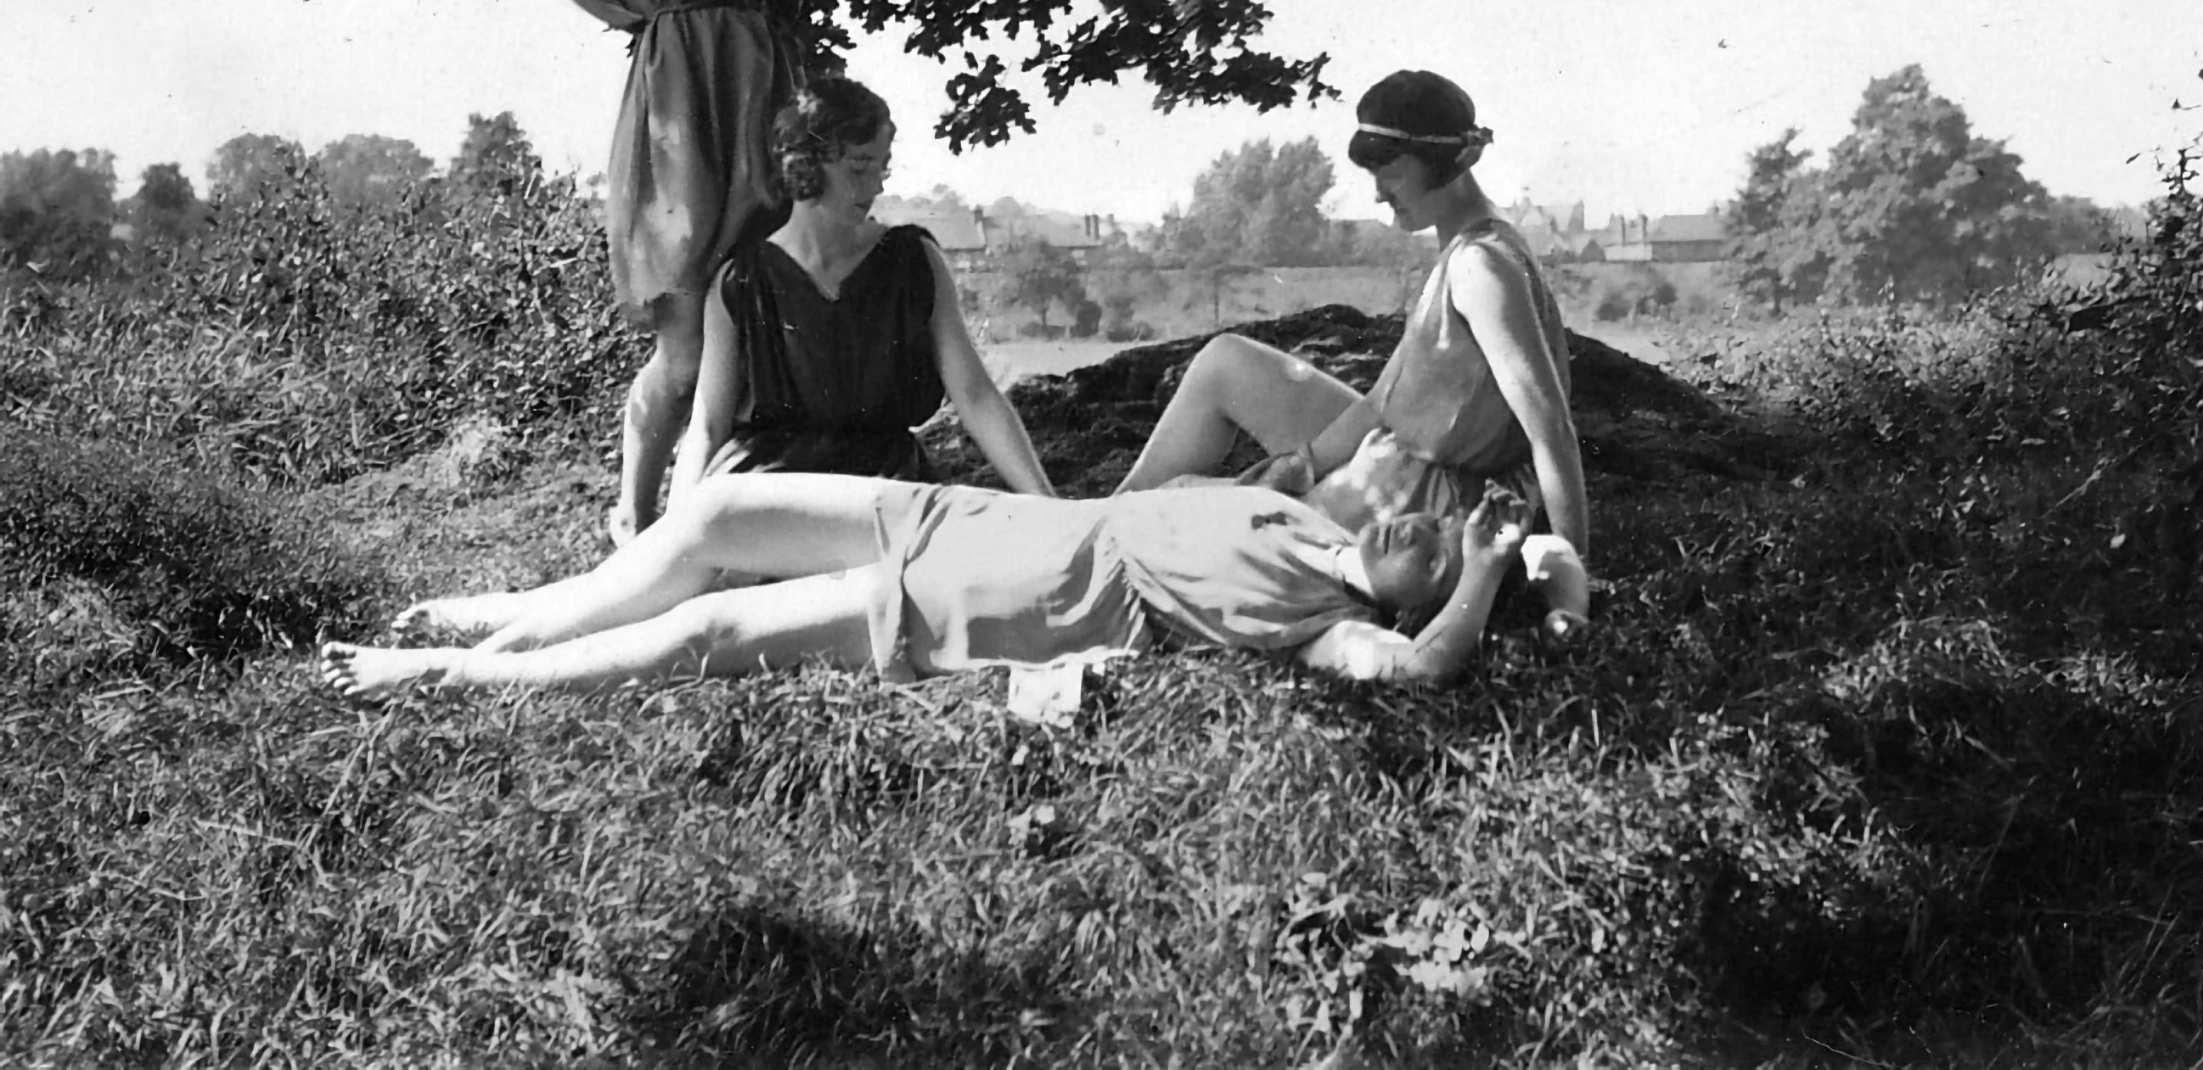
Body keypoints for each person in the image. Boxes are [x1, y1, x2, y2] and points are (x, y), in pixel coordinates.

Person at [349, 0, 831, 543]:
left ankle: (742, 504)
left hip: (764, 87)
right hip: (684, 110)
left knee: (772, 303)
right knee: (685, 342)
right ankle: (633, 513)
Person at [316, 476, 1587, 698]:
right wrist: (1544, 562)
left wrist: (1490, 578)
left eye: (1453, 542)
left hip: (977, 608)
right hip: (970, 519)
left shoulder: (1327, 628)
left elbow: (1424, 667)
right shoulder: (1309, 515)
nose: (1445, 521)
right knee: (709, 516)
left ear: (1426, 588)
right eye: (1454, 513)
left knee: (703, 626)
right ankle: (520, 608)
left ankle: (454, 666)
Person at [1114, 69, 1591, 578]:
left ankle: (1097, 529)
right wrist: (1300, 465)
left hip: (1430, 500)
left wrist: (1573, 567)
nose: (1380, 194)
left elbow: (1551, 427)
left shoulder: (1482, 266)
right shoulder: (1463, 244)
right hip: (1403, 455)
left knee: (1174, 515)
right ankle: (1103, 516)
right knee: (1225, 362)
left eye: (1391, 171)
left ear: (1443, 162)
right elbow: (1386, 399)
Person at [670, 76, 1053, 500]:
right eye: (859, 166)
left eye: (881, 166)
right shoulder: (740, 282)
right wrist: (677, 532)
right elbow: (707, 425)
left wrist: (1046, 502)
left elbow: (976, 395)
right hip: (769, 491)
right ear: (804, 164)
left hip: (885, 485)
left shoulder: (912, 260)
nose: (877, 186)